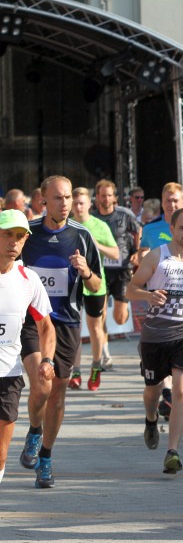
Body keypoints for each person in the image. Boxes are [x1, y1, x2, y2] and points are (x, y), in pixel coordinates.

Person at [18, 175, 103, 488]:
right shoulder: (28, 234)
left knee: (56, 397)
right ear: (43, 200)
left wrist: (86, 271)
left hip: (66, 323)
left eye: (67, 197)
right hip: (32, 321)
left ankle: (46, 457)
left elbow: (96, 285)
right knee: (42, 384)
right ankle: (34, 431)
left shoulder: (82, 235)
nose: (65, 203)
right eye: (57, 198)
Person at [126, 208, 183, 473]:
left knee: (181, 391)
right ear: (171, 229)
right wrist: (148, 296)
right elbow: (130, 289)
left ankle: (173, 451)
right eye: (182, 228)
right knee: (154, 389)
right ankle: (151, 418)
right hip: (155, 335)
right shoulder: (157, 256)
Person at [0, 209, 55, 488]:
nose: (14, 241)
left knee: (0, 454)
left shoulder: (28, 279)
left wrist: (47, 360)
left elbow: (46, 327)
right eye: (8, 234)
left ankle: (34, 432)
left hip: (8, 375)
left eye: (20, 236)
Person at [68, 187, 119, 391]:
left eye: (82, 203)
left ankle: (96, 367)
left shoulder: (99, 226)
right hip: (72, 284)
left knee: (95, 328)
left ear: (90, 204)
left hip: (95, 284)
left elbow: (115, 253)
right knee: (75, 328)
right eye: (75, 203)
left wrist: (97, 245)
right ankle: (76, 371)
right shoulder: (67, 225)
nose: (79, 207)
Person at [91, 179, 142, 369]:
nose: (106, 199)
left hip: (122, 268)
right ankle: (105, 355)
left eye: (109, 195)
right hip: (100, 269)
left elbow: (138, 231)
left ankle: (124, 309)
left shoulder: (125, 215)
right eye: (102, 195)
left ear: (114, 197)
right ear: (97, 197)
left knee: (119, 317)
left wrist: (136, 251)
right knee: (100, 315)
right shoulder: (92, 218)